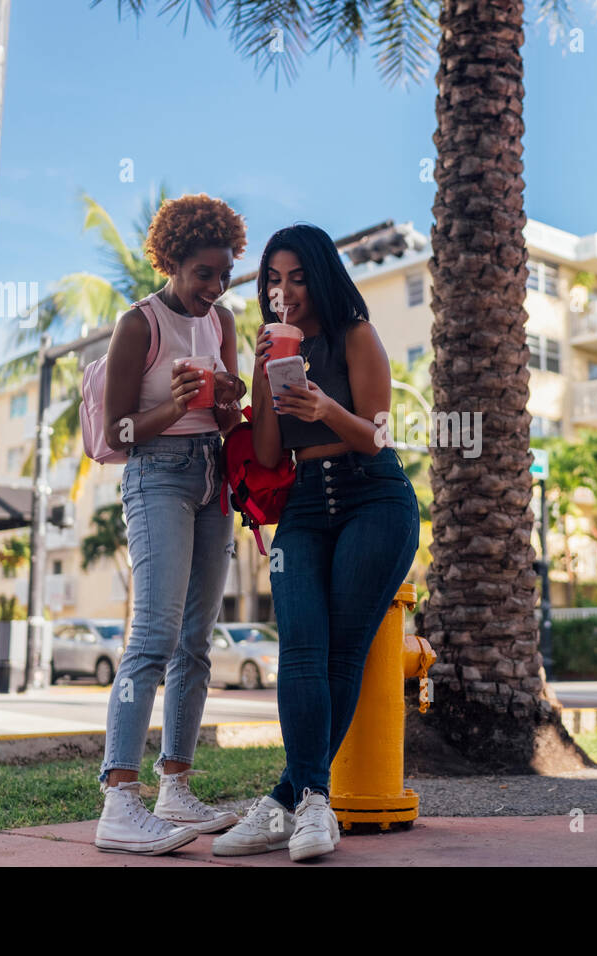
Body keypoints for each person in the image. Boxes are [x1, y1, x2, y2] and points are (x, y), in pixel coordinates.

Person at [211, 224, 419, 863]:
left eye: (297, 276)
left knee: (342, 653)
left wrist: (324, 406)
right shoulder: (272, 350)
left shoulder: (358, 336)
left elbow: (376, 436)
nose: (283, 291)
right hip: (303, 504)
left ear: (322, 276)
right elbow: (271, 454)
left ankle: (294, 806)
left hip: (373, 497)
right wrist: (264, 380)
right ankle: (301, 806)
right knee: (300, 647)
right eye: (273, 280)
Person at [93, 194, 250, 855]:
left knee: (195, 642)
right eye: (203, 274)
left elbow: (228, 421)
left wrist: (231, 400)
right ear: (173, 260)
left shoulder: (224, 323)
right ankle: (119, 800)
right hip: (155, 472)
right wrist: (175, 406)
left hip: (211, 474)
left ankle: (175, 785)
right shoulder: (140, 323)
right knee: (152, 636)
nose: (213, 289)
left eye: (224, 275)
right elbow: (116, 431)